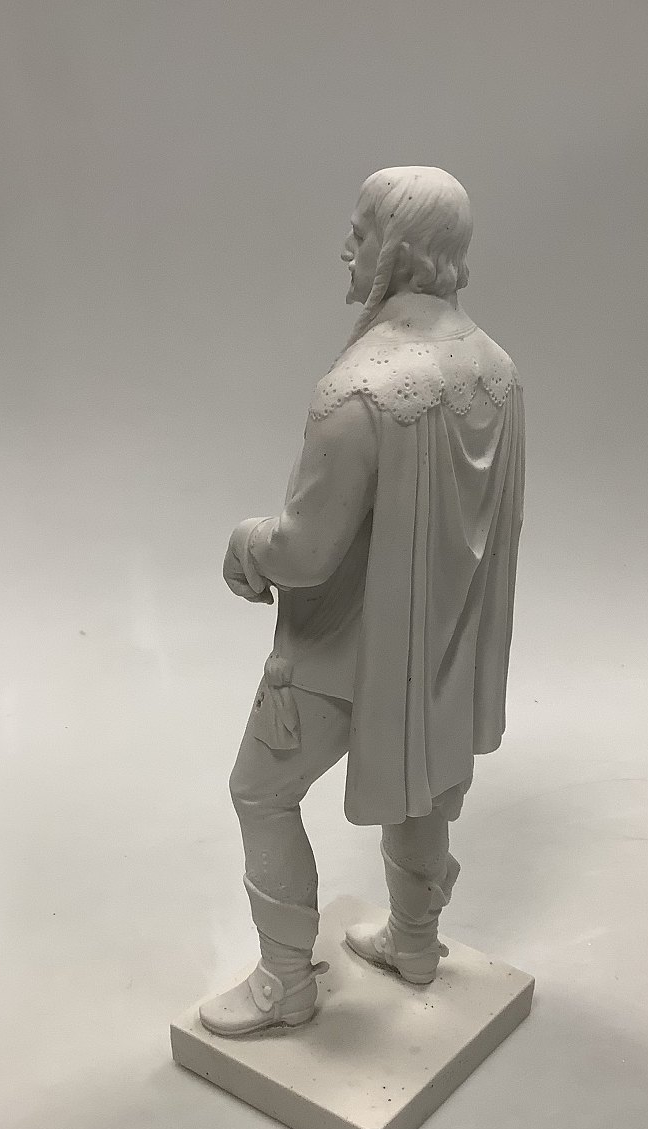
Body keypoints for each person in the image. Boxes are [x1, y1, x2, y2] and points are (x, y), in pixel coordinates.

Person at [199, 165, 525, 1037]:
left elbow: (306, 553)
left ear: (399, 250)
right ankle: (415, 943)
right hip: (447, 638)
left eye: (360, 232)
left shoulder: (362, 389)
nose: (346, 247)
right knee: (425, 787)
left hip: (341, 652)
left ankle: (284, 983)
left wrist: (246, 540)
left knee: (259, 793)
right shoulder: (496, 371)